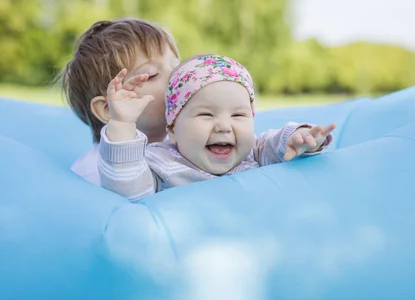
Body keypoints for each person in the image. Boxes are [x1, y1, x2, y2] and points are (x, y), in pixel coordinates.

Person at [97, 54, 336, 201]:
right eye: (206, 114)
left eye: (239, 114)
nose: (223, 125)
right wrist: (122, 124)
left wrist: (297, 138)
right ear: (172, 127)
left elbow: (275, 145)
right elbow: (128, 190)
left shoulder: (253, 152)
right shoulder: (161, 165)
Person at [60, 18, 180, 185]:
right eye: (152, 74)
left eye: (176, 66)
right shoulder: (93, 176)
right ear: (108, 109)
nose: (177, 75)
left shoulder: (188, 141)